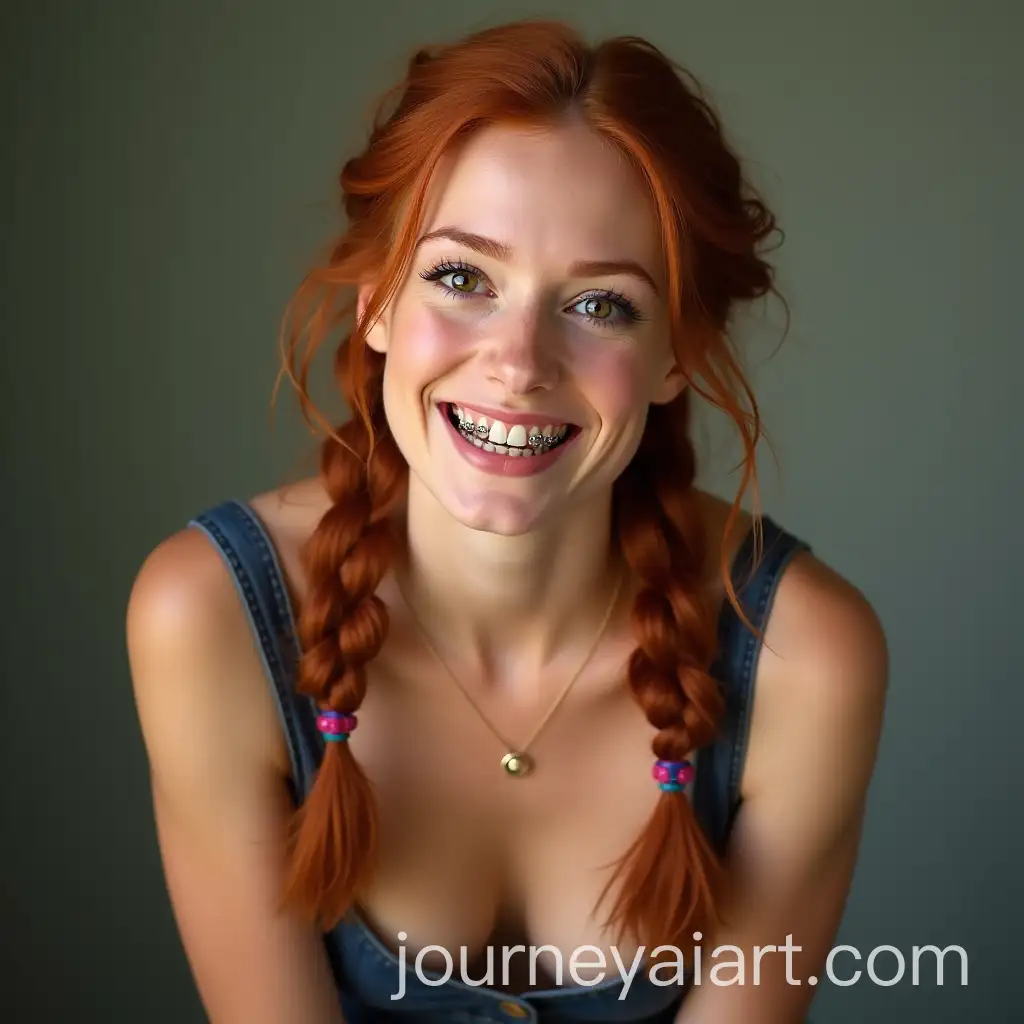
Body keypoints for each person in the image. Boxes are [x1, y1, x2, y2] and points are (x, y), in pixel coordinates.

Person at [126, 19, 888, 1024]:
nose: (520, 362)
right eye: (460, 277)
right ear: (376, 303)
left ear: (677, 355)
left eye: (601, 304)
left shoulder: (803, 657)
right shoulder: (210, 616)